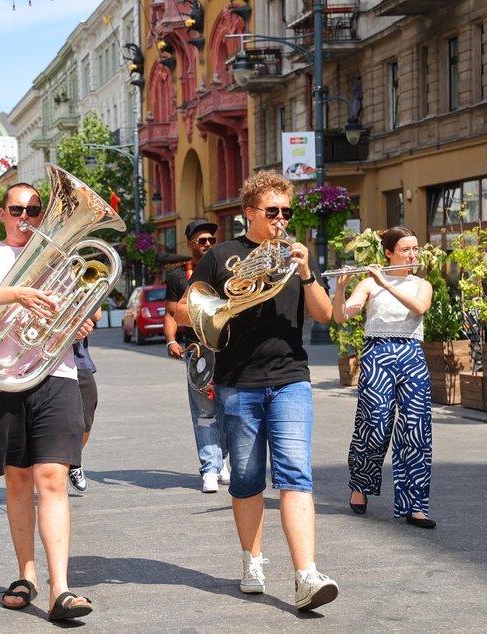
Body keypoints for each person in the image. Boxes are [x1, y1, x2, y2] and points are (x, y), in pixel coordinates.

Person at [176, 170, 339, 611]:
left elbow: (325, 314)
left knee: (296, 475)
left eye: (287, 212)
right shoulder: (222, 256)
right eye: (273, 212)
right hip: (238, 381)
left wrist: (305, 272)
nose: (281, 219)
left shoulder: (296, 257)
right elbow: (185, 309)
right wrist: (225, 307)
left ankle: (306, 575)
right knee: (247, 480)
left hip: (291, 378)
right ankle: (252, 560)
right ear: (250, 212)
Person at [0, 182, 94, 622]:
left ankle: (60, 589)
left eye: (34, 209)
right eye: (17, 210)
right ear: (3, 214)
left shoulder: (62, 258)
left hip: (56, 374)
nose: (25, 217)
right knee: (17, 481)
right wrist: (16, 294)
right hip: (2, 382)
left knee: (52, 478)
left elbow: (76, 309)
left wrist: (80, 322)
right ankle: (26, 575)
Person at [331, 226, 436, 529]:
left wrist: (386, 284)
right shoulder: (368, 284)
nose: (412, 255)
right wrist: (341, 289)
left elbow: (420, 308)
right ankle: (360, 485)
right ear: (388, 253)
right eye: (405, 250)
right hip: (377, 353)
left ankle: (415, 506)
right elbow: (341, 316)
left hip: (411, 354)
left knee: (416, 427)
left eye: (415, 249)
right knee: (374, 422)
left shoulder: (421, 284)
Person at [164, 219, 229, 493]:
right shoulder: (178, 276)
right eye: (202, 241)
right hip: (197, 350)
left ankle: (223, 461)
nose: (208, 244)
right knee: (205, 412)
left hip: (227, 348)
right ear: (190, 244)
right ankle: (210, 469)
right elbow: (171, 313)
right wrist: (171, 340)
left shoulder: (226, 268)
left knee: (229, 408)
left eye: (212, 240)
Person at [69, 311, 101, 494]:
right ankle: (59, 462)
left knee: (86, 418)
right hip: (42, 360)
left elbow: (97, 314)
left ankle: (73, 459)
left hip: (78, 359)